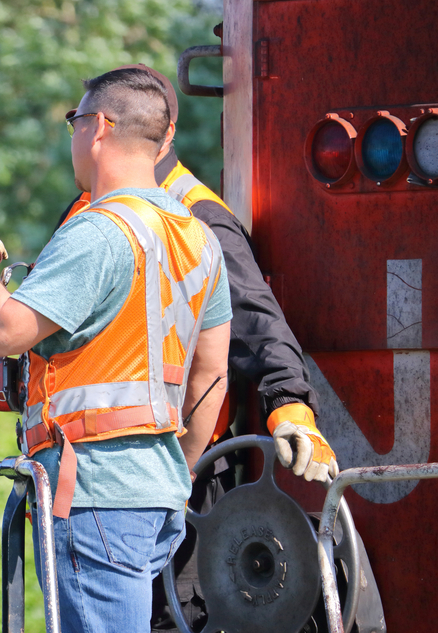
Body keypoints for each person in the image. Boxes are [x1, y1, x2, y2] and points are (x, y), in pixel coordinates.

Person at [52, 65, 339, 631]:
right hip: (95, 473)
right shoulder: (101, 205)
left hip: (172, 470)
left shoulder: (197, 215)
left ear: (159, 133)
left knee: (169, 616)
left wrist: (289, 402)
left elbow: (261, 323)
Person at [0, 67, 232, 633]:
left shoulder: (98, 230)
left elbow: (6, 332)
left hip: (92, 495)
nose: (74, 137)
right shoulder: (199, 237)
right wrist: (176, 475)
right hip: (157, 492)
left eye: (75, 122)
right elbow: (212, 374)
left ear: (99, 126)